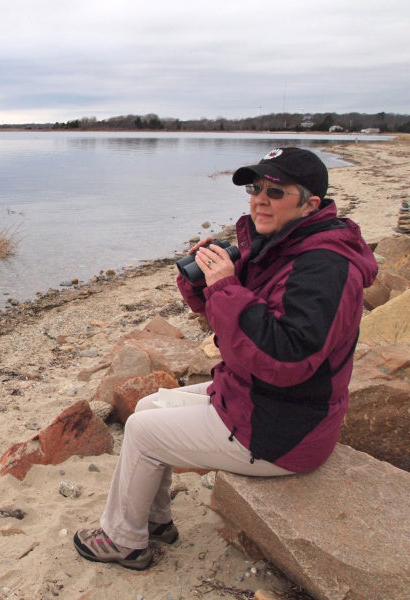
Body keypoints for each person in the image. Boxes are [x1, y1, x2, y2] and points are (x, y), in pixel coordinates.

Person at [73, 147, 378, 571]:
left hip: (284, 428)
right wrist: (202, 283)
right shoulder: (283, 244)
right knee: (149, 405)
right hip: (261, 399)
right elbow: (235, 319)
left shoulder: (325, 266)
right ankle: (155, 521)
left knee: (142, 430)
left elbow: (284, 358)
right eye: (255, 188)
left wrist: (225, 287)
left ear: (310, 204)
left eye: (275, 191)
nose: (259, 199)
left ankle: (124, 541)